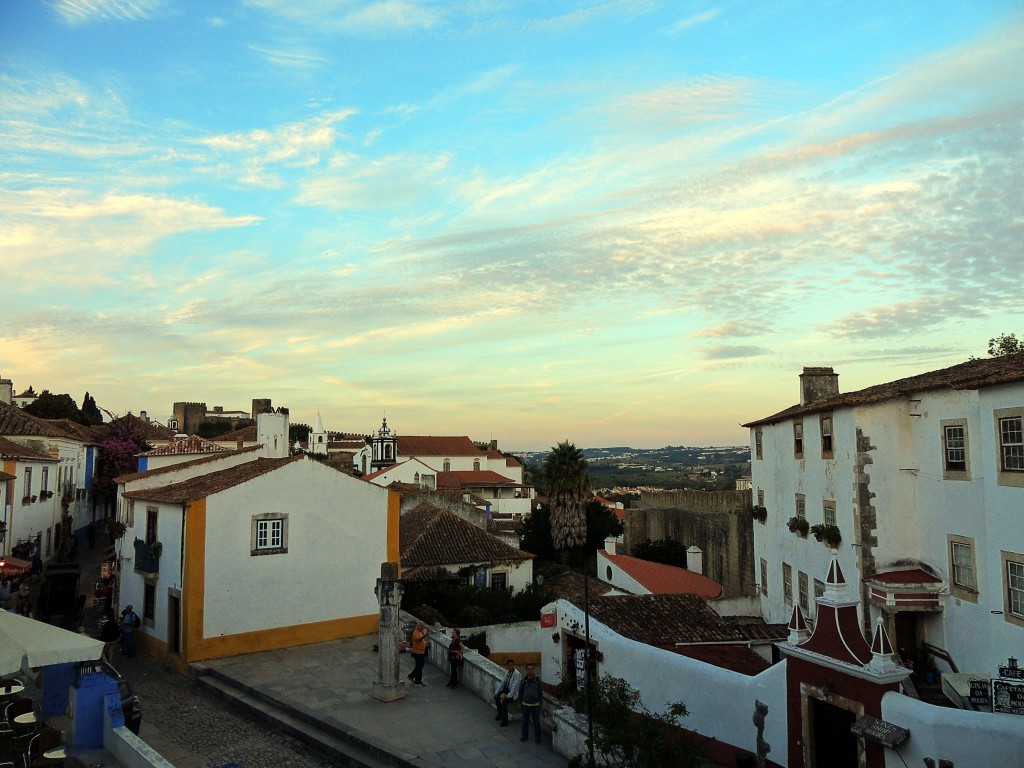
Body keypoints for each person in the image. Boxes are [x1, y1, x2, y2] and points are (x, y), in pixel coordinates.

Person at [518, 664, 544, 744]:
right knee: (524, 722)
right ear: (526, 670)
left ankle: (537, 738)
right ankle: (524, 736)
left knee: (536, 723)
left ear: (533, 670)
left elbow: (540, 692)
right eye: (528, 669)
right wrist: (519, 703)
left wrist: (541, 702)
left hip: (535, 706)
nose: (530, 670)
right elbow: (520, 692)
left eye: (531, 669)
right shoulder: (523, 681)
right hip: (525, 706)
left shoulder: (537, 681)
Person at [494, 658, 522, 727]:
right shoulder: (507, 672)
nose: (510, 667)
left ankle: (505, 720)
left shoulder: (517, 674)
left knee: (504, 702)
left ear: (514, 665)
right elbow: (503, 682)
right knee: (497, 697)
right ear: (507, 666)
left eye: (512, 665)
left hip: (514, 693)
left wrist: (508, 696)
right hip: (508, 690)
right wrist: (496, 692)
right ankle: (500, 714)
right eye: (509, 665)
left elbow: (514, 687)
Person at [407, 620, 429, 687]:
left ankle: (412, 676)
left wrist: (427, 635)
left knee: (420, 665)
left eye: (423, 626)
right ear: (418, 625)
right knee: (419, 666)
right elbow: (418, 640)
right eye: (421, 625)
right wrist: (424, 635)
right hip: (417, 652)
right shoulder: (416, 632)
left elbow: (423, 640)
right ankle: (417, 681)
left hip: (421, 652)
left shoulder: (420, 632)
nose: (423, 627)